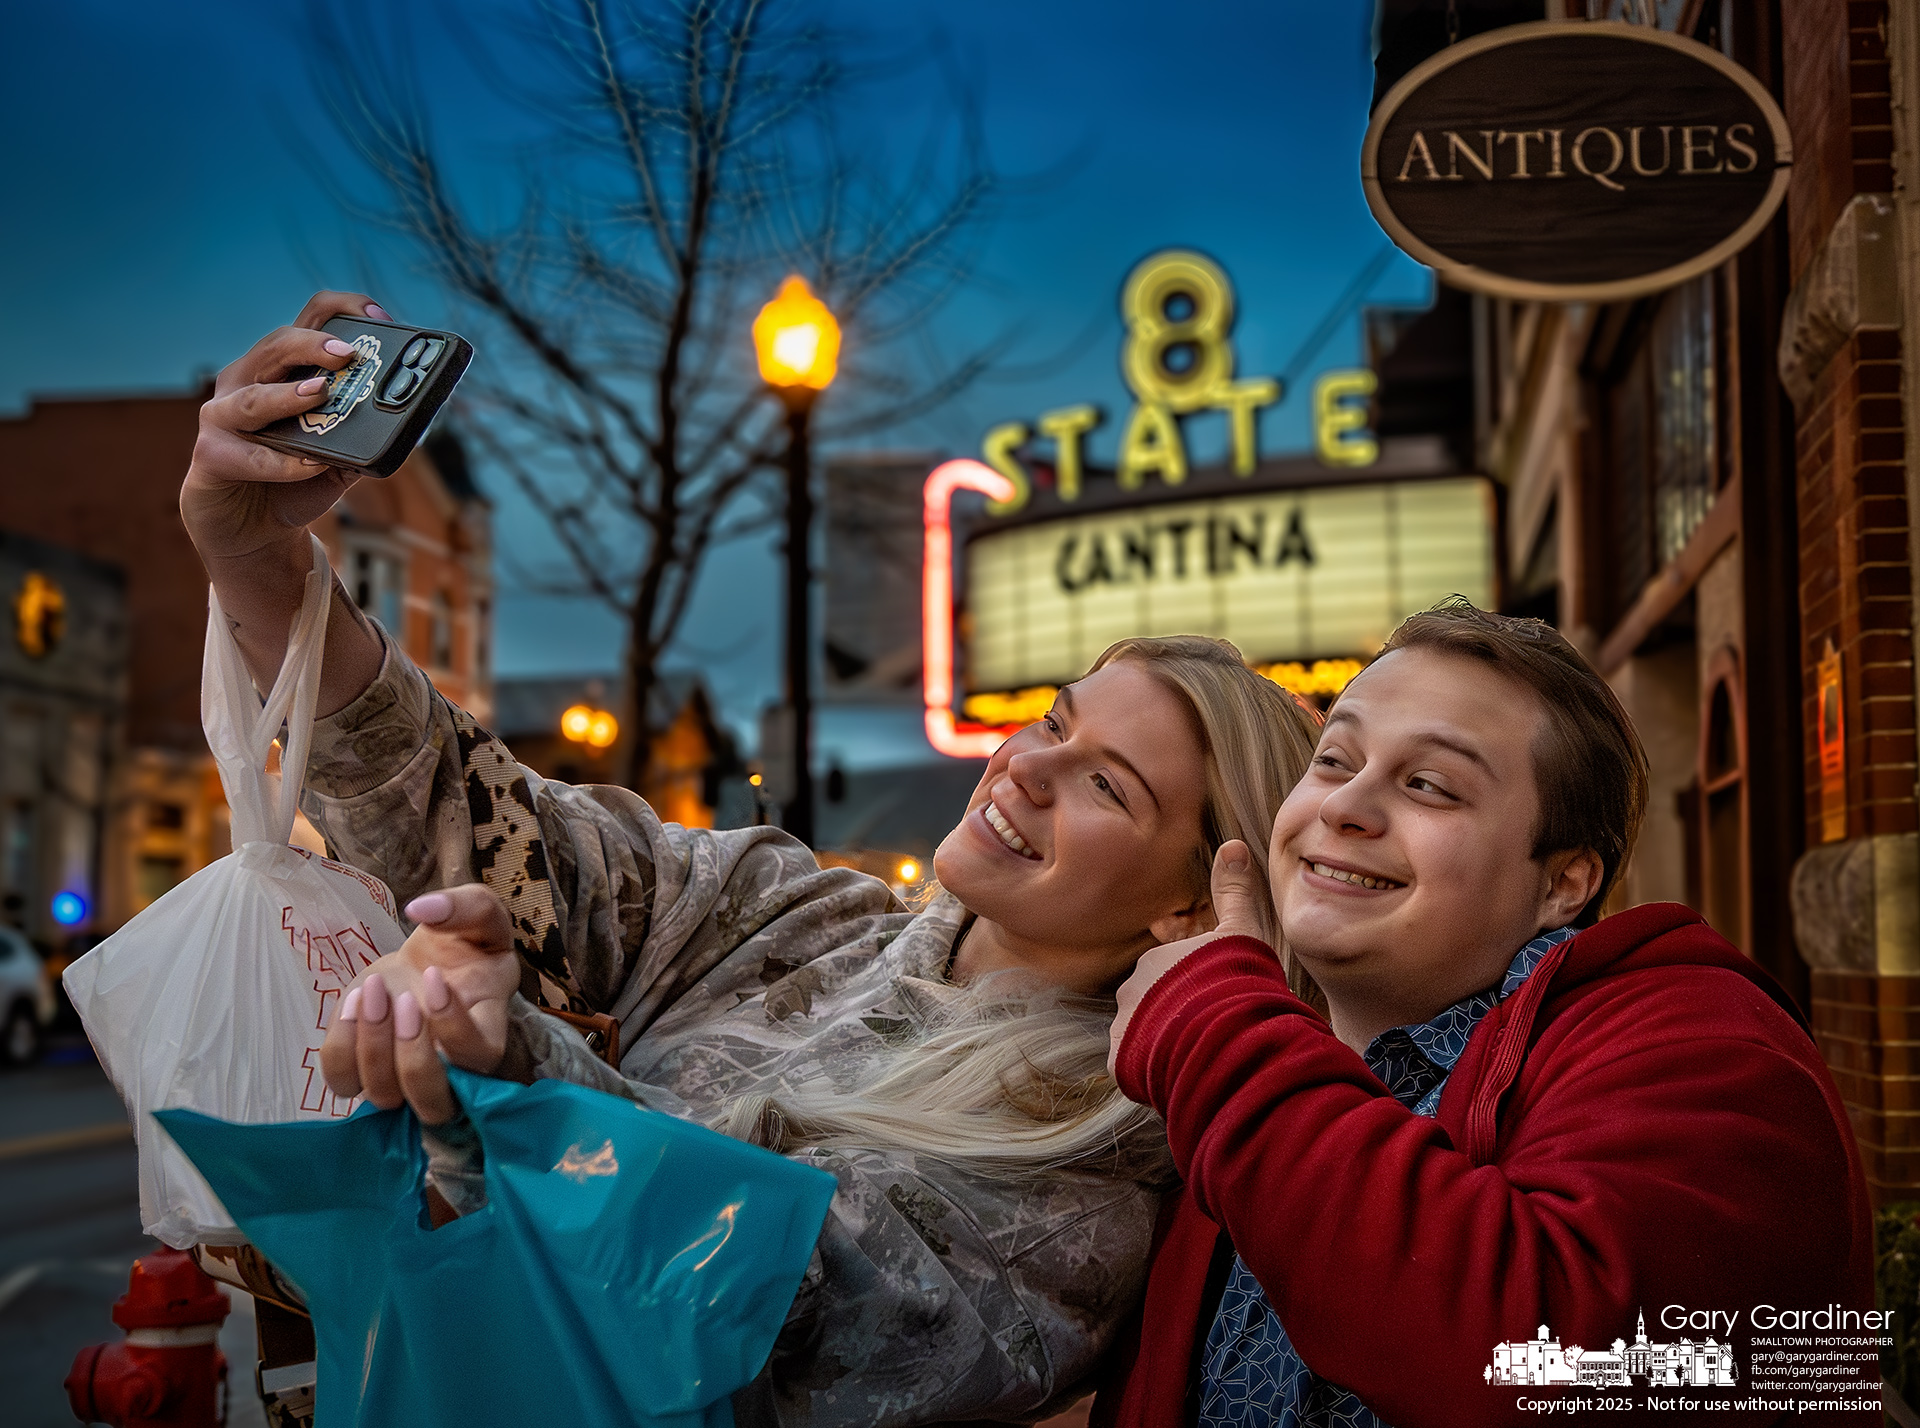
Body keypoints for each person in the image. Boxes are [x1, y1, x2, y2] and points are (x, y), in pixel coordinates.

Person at [180, 291, 1323, 1426]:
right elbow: (493, 827)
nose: (1028, 769)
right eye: (1057, 722)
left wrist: (513, 1073)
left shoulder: (1097, 1175)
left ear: (1190, 905)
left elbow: (786, 1306)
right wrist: (260, 565)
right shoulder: (785, 908)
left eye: (1108, 786)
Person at [1100, 601, 1872, 1428]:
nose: (1344, 806)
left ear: (1562, 884)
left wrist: (1217, 1033)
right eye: (1333, 760)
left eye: (1429, 784)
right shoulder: (1266, 1070)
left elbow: (1545, 1372)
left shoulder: (1711, 1045)